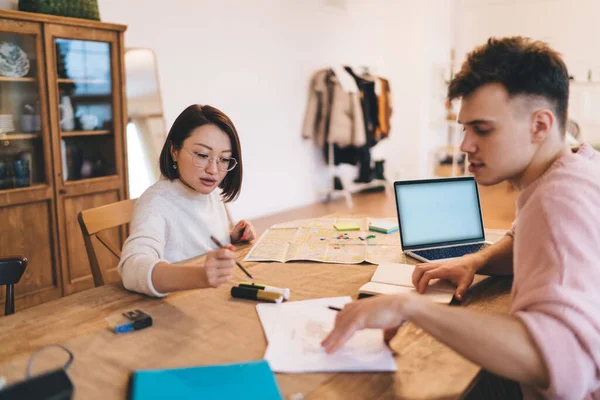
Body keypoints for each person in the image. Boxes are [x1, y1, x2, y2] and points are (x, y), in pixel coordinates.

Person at [322, 37, 600, 399]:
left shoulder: (558, 203)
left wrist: (409, 306)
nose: (466, 144)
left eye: (482, 130)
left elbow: (559, 361)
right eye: (464, 128)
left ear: (539, 125)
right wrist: (477, 259)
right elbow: (530, 245)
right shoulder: (578, 166)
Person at [118, 104, 256, 297]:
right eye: (202, 155)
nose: (213, 170)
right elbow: (132, 268)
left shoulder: (212, 193)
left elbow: (197, 241)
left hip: (214, 295)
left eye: (224, 159)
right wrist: (200, 276)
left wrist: (231, 238)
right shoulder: (156, 203)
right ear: (174, 150)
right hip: (177, 305)